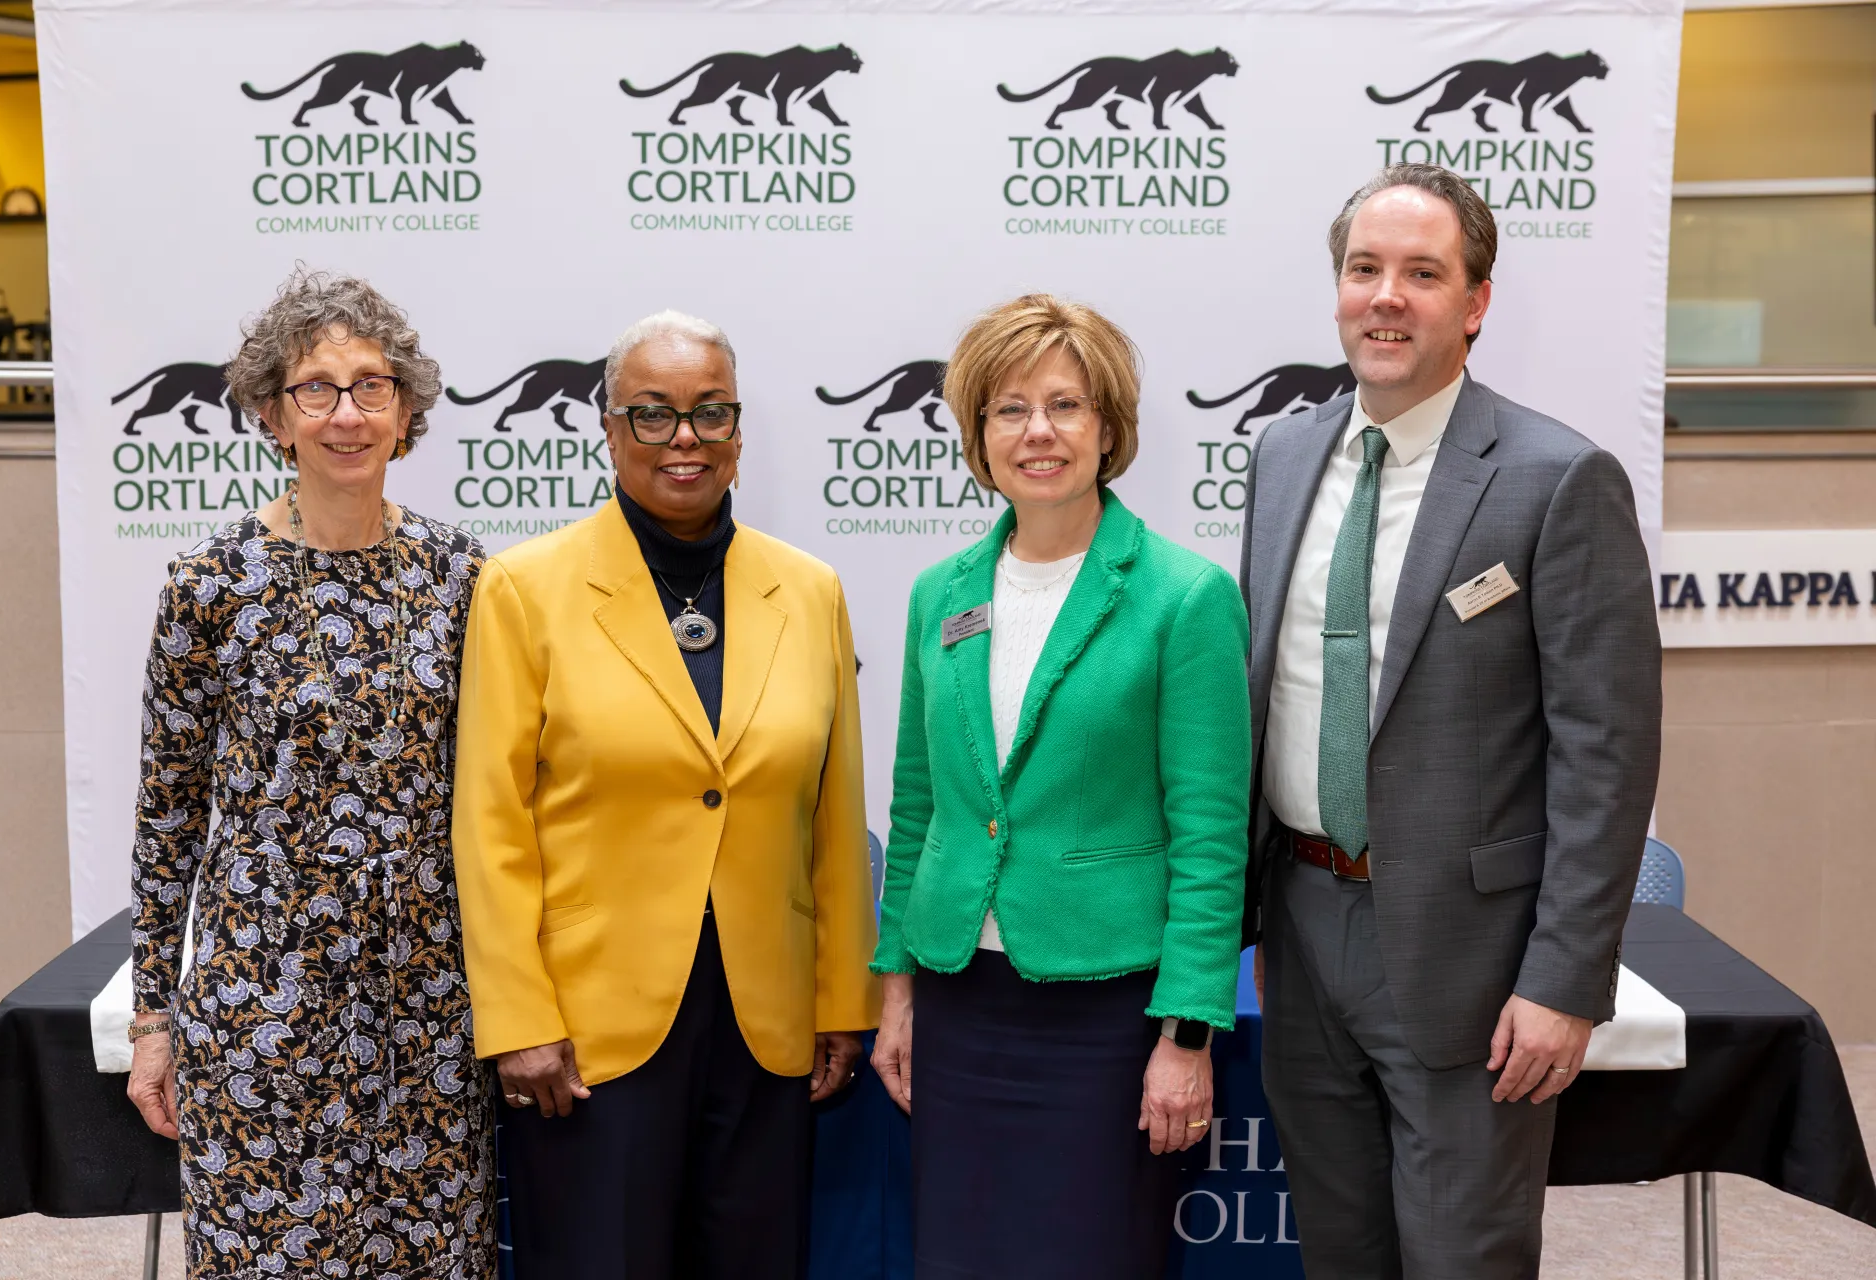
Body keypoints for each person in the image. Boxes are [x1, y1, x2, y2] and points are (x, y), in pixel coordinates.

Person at [1240, 163, 1663, 1279]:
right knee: (1340, 1249)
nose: (1386, 296)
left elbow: (1605, 755)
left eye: (1422, 274)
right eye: (1364, 269)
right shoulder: (1283, 458)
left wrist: (1565, 977)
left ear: (1475, 303)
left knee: (1461, 1256)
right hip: (1299, 916)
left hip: (1473, 959)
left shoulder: (1557, 478)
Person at [452, 310, 881, 1279]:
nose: (683, 438)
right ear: (608, 429)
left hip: (765, 1024)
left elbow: (833, 810)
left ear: (738, 429)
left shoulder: (809, 590)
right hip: (588, 1037)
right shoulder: (524, 589)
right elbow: (490, 823)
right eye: (652, 414)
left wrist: (842, 992)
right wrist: (518, 1017)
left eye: (708, 412)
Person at [869, 294, 1251, 1279]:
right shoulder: (939, 593)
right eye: (1008, 408)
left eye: (1066, 404)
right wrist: (896, 986)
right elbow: (919, 805)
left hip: (1107, 1017)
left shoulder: (1184, 596)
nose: (1038, 430)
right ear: (977, 435)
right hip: (961, 1001)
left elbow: (1210, 837)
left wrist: (1188, 1032)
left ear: (1110, 428)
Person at [126, 268, 494, 1279]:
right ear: (271, 413)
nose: (347, 413)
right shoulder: (211, 585)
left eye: (372, 385)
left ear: (406, 408)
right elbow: (169, 816)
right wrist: (155, 1018)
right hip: (262, 1016)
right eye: (316, 389)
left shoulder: (462, 577)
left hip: (427, 1018)